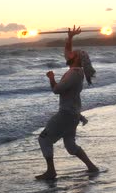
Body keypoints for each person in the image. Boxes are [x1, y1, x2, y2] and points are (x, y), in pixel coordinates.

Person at [35, 25, 99, 180]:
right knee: (70, 146)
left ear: (76, 59)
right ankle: (91, 167)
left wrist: (51, 78)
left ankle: (51, 172)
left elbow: (57, 90)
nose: (69, 54)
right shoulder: (76, 71)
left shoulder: (74, 74)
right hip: (73, 114)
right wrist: (70, 37)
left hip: (66, 114)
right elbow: (66, 52)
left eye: (73, 54)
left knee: (43, 139)